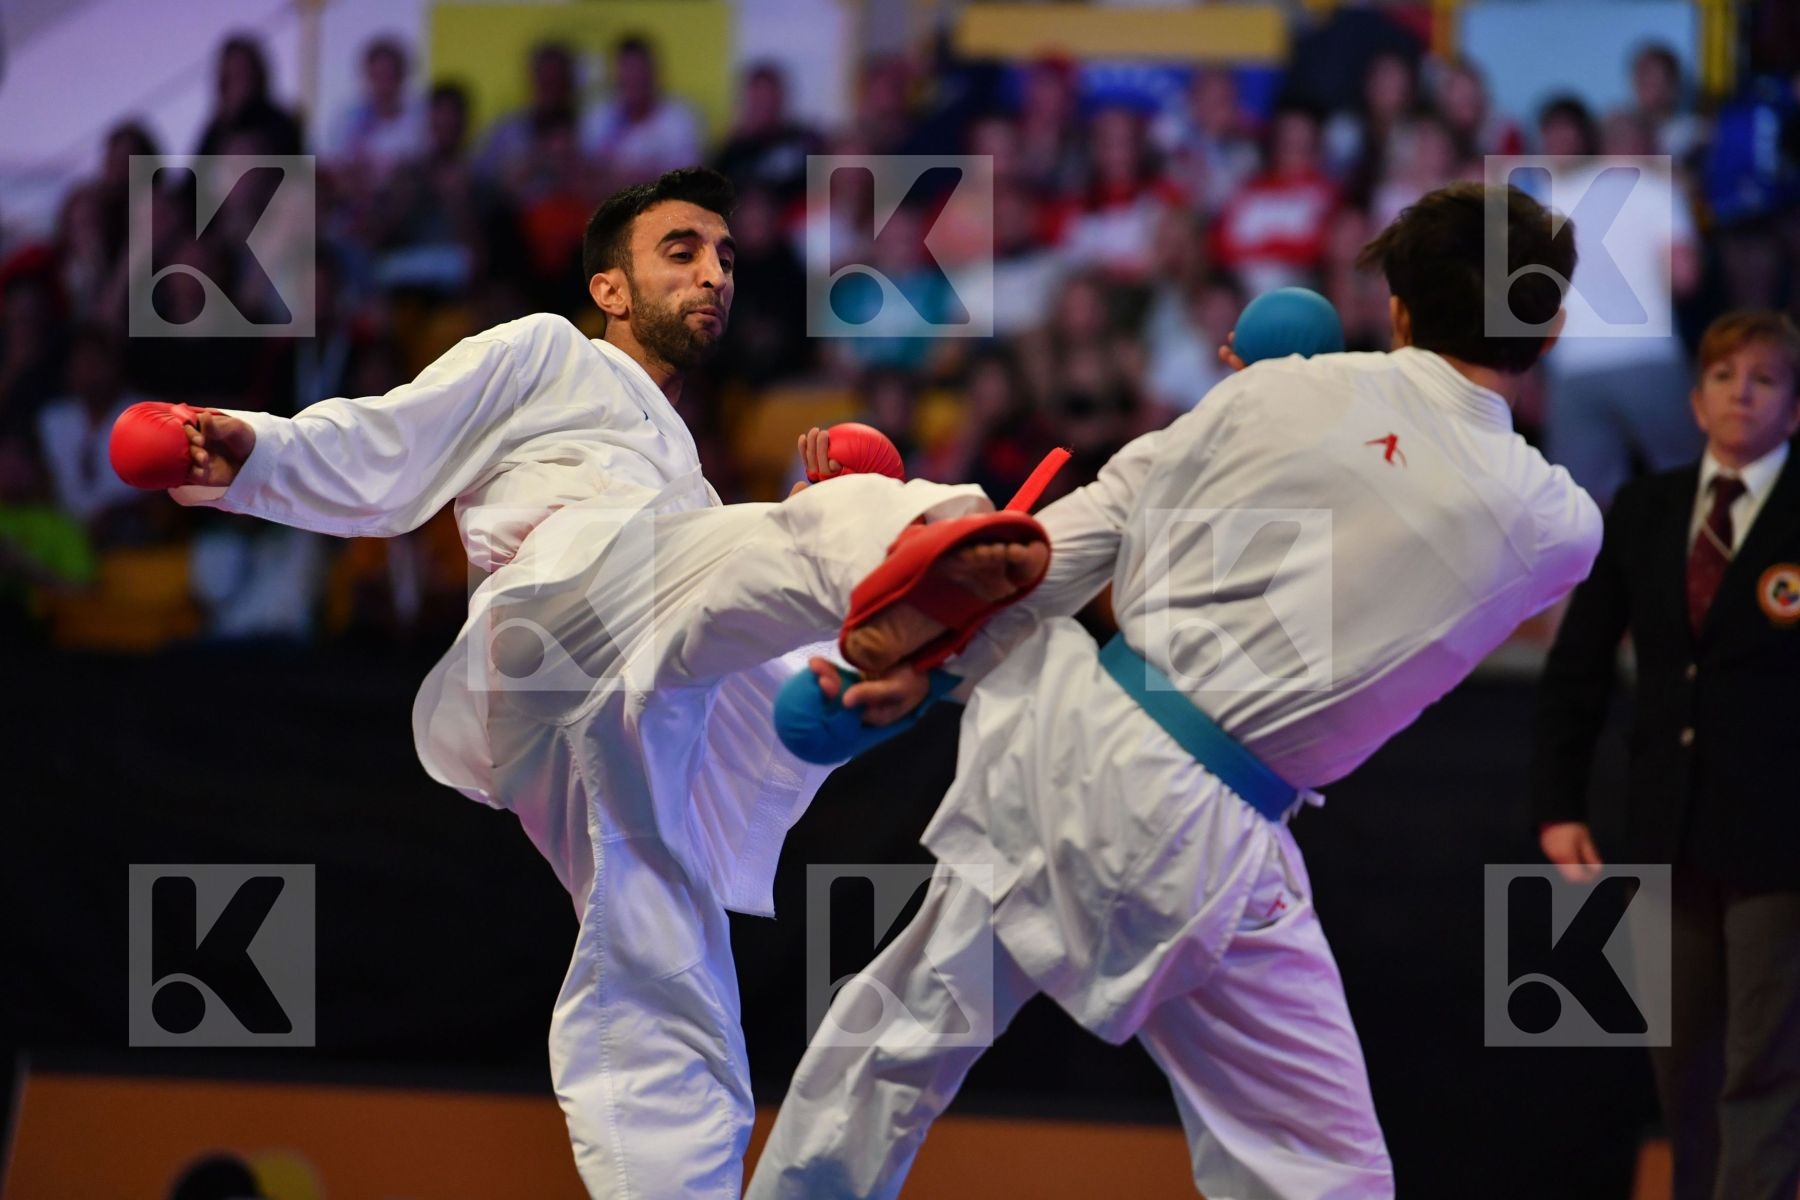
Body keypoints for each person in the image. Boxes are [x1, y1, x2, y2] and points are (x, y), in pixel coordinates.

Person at [132, 166, 1043, 1198]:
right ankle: (931, 543)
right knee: (793, 534)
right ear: (608, 288)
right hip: (557, 609)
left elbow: (716, 614)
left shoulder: (686, 476)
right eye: (683, 251)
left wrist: (828, 692)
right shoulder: (546, 350)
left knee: (662, 948)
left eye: (728, 258)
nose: (715, 276)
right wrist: (249, 447)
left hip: (609, 693)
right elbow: (389, 442)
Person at [748, 182, 1605, 1200]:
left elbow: (1061, 543)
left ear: (1399, 307)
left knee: (890, 1045)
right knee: (1323, 1173)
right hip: (1217, 834)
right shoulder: (1560, 527)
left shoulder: (1278, 390)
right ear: (1550, 326)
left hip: (1081, 745)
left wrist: (925, 665)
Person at [1532, 310, 1800, 1200]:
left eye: (1763, 378)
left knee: (1762, 1070)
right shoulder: (1646, 509)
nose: (1742, 393)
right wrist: (1559, 805)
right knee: (1680, 1069)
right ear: (1694, 402)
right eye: (1725, 377)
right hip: (1664, 832)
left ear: (1793, 410)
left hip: (1782, 843)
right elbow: (1577, 668)